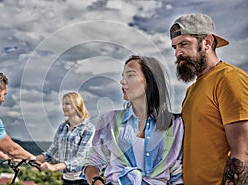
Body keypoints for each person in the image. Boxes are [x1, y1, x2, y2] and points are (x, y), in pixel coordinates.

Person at [169, 13, 248, 184]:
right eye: (175, 47)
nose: (178, 53)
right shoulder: (191, 91)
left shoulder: (229, 79)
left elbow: (243, 152)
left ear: (207, 42)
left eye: (183, 44)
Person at [83, 55, 184, 185]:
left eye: (130, 75)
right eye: (123, 76)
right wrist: (96, 181)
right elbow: (92, 162)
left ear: (150, 80)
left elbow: (177, 174)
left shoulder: (175, 125)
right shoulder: (109, 120)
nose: (122, 81)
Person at [36, 92, 95, 185]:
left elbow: (81, 157)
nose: (63, 107)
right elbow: (51, 153)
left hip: (82, 181)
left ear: (77, 105)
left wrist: (54, 167)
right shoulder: (62, 127)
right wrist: (29, 159)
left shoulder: (88, 128)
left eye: (67, 104)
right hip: (66, 181)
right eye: (63, 104)